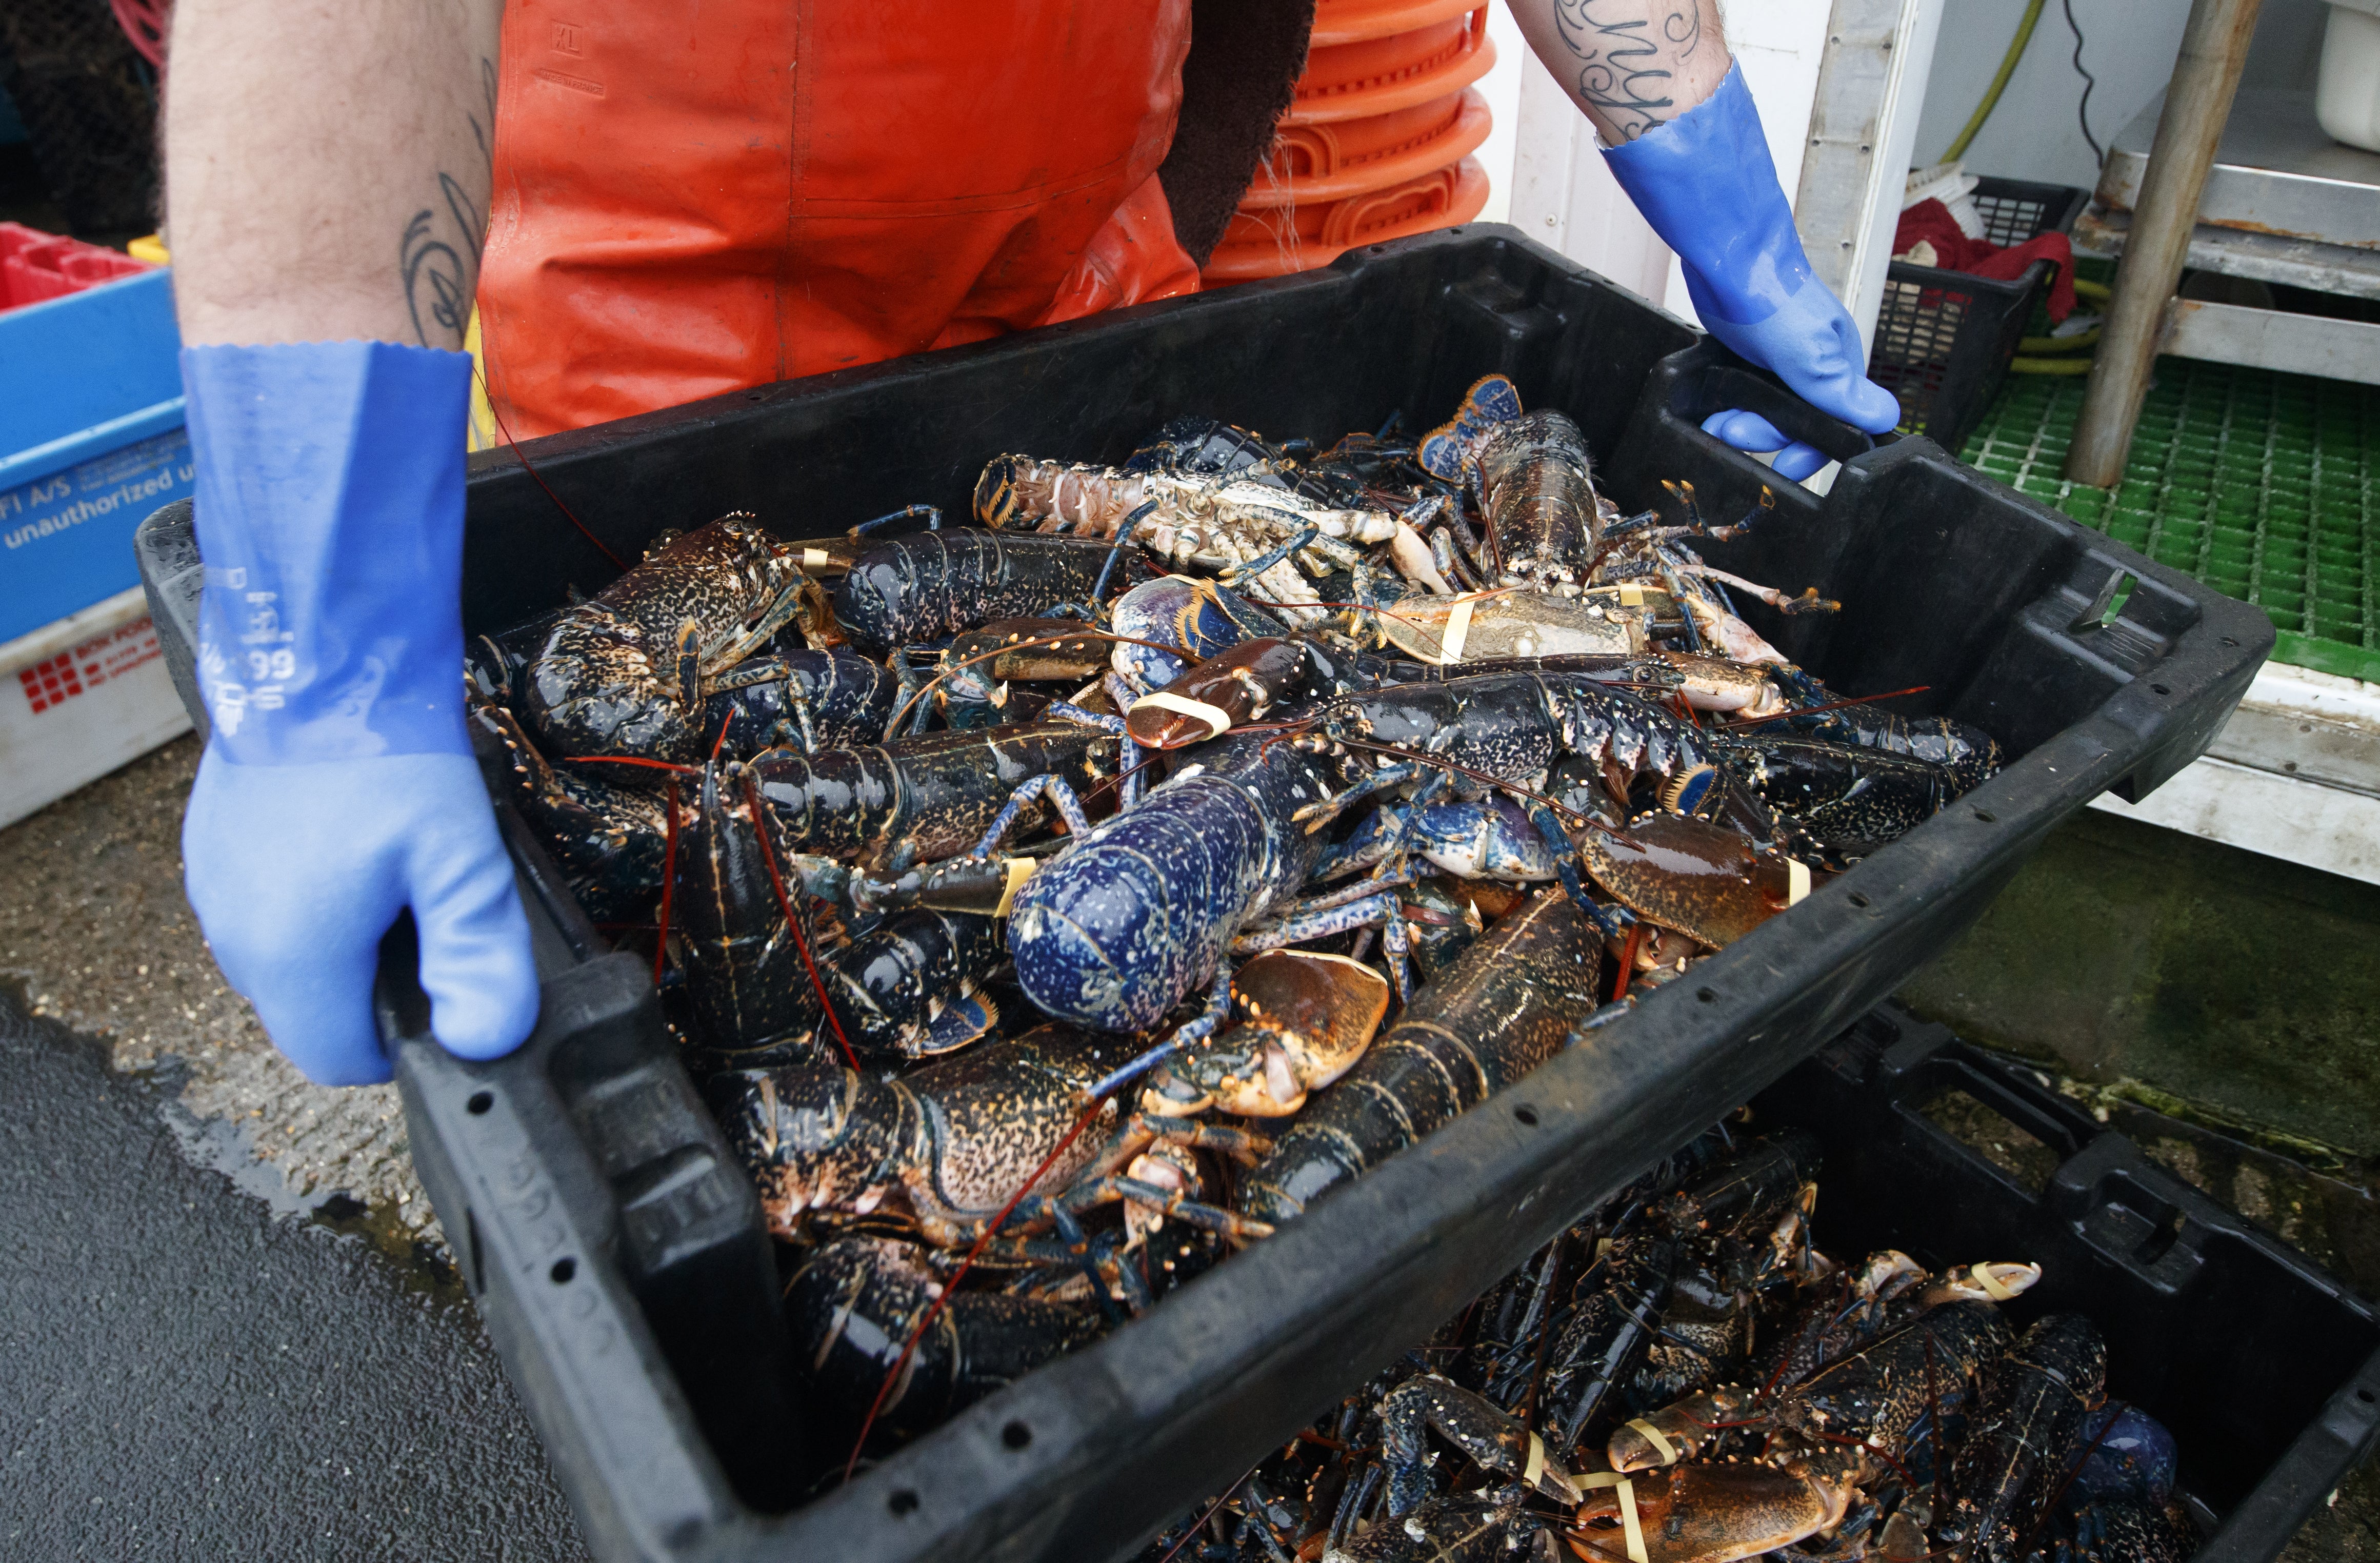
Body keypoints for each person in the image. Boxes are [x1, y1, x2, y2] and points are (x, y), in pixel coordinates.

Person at [164, 0, 1897, 1086]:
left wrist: (1716, 187)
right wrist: (311, 659)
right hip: (652, 253)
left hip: (1074, 238)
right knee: (638, 715)